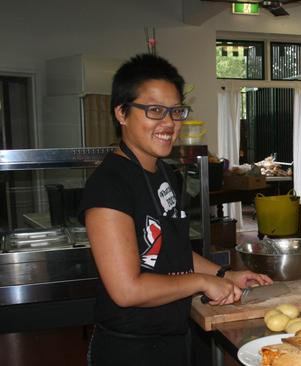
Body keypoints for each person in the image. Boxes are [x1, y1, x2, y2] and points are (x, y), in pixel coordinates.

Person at [78, 54, 272, 366]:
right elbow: (126, 290)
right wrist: (201, 282)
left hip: (174, 338)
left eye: (175, 111)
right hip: (130, 350)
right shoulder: (109, 185)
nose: (169, 123)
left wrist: (225, 274)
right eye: (154, 110)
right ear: (122, 113)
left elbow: (170, 250)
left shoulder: (164, 173)